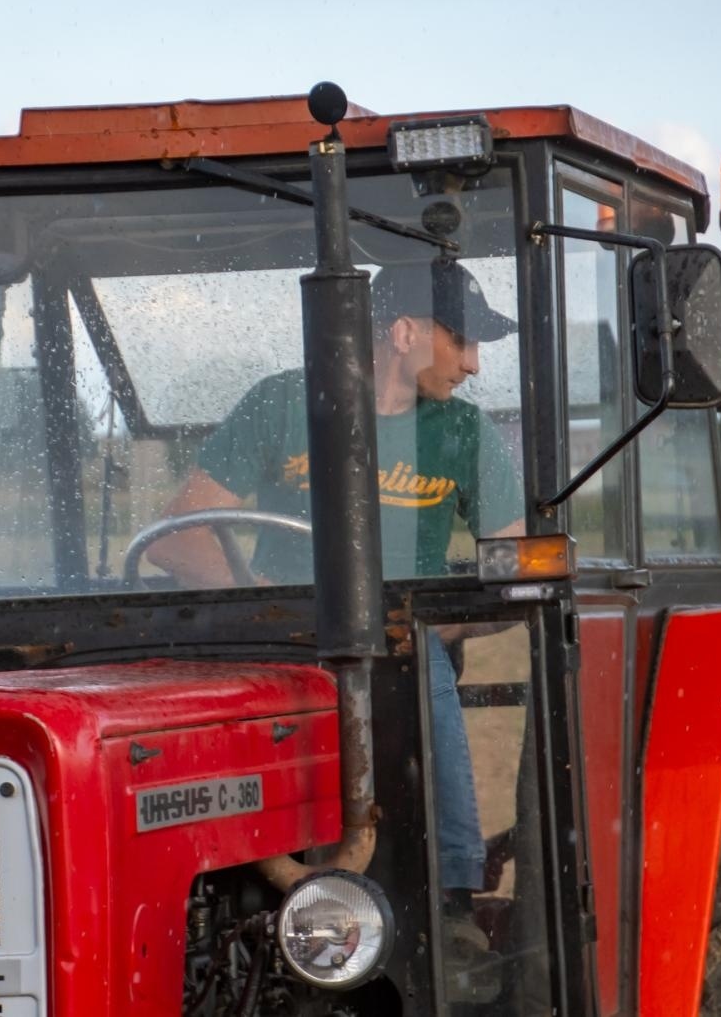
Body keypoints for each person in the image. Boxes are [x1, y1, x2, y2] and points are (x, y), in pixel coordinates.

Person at [146, 257, 524, 906]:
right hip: (277, 644)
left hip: (399, 647)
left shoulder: (463, 431)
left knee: (422, 660)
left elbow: (516, 562)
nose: (473, 365)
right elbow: (180, 534)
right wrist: (266, 599)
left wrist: (436, 623)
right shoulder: (283, 402)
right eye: (461, 340)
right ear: (404, 332)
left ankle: (452, 894)